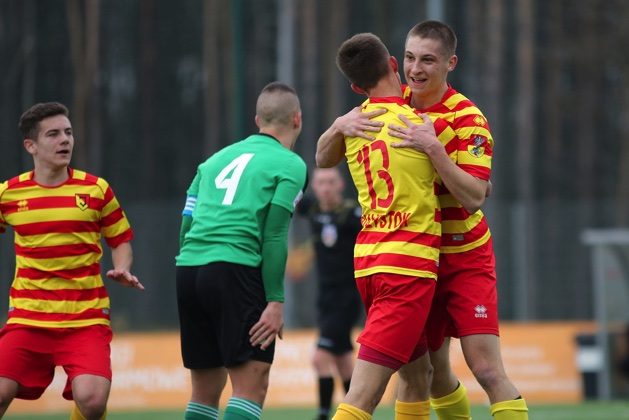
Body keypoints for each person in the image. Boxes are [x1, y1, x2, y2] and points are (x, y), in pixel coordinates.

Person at [320, 21, 529, 420]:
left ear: (450, 63)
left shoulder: (468, 118)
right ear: (399, 61)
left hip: (463, 257)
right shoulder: (392, 103)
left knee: (485, 368)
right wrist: (338, 126)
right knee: (427, 376)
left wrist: (434, 150)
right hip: (417, 258)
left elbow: (472, 198)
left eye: (428, 60)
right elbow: (325, 157)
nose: (416, 69)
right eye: (411, 57)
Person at [316, 32, 441, 420]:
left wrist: (337, 125)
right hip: (406, 267)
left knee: (419, 375)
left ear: (355, 86)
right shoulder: (418, 125)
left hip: (370, 263)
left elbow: (321, 159)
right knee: (361, 398)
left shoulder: (356, 123)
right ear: (392, 63)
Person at [0, 102, 144, 420]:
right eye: (53, 134)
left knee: (92, 401)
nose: (64, 140)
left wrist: (123, 267)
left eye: (68, 132)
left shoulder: (95, 189)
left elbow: (120, 239)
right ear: (31, 146)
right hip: (28, 318)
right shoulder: (8, 194)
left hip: (85, 318)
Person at [175, 81, 308, 420]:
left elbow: (186, 224)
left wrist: (196, 264)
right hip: (235, 271)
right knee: (252, 386)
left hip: (189, 270)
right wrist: (276, 301)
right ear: (297, 119)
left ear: (257, 120)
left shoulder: (211, 162)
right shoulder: (290, 164)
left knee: (204, 393)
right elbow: (275, 235)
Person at [294, 167, 363, 420]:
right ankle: (359, 410)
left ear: (340, 185)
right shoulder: (312, 209)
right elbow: (291, 193)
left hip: (346, 297)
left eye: (330, 182)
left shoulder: (352, 215)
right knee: (343, 361)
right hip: (325, 297)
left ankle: (323, 414)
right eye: (320, 182)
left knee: (320, 357)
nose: (325, 187)